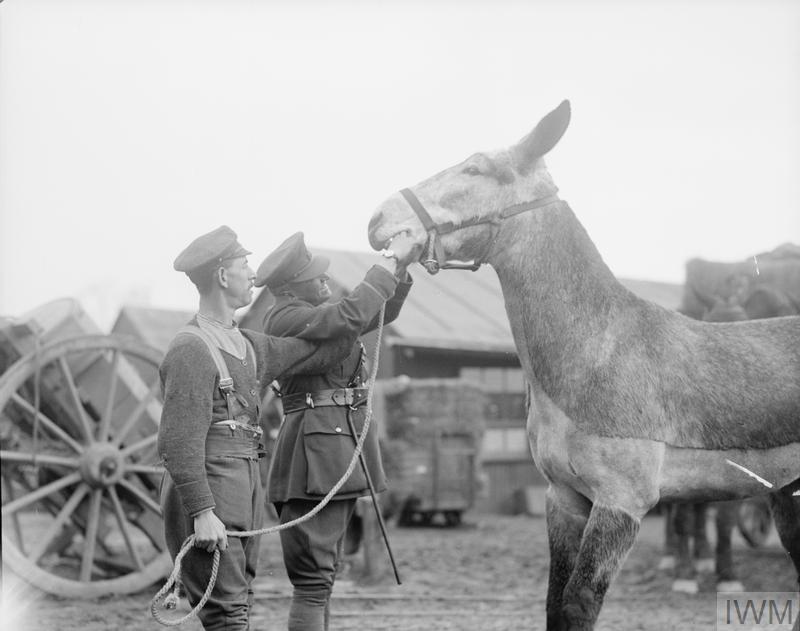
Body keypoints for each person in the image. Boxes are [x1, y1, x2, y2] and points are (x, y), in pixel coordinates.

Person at [157, 225, 393, 631]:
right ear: (222, 275)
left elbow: (328, 348)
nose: (253, 273)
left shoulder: (249, 345)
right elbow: (177, 442)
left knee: (238, 605)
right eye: (244, 264)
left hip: (245, 482)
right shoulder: (190, 349)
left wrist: (392, 278)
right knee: (227, 613)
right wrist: (202, 512)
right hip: (210, 489)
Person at [254, 231, 418, 631]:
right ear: (292, 286)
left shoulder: (315, 316)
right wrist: (385, 266)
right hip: (315, 457)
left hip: (329, 451)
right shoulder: (286, 317)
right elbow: (348, 316)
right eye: (316, 277)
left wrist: (402, 266)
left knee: (322, 578)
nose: (326, 282)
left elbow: (375, 314)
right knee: (313, 581)